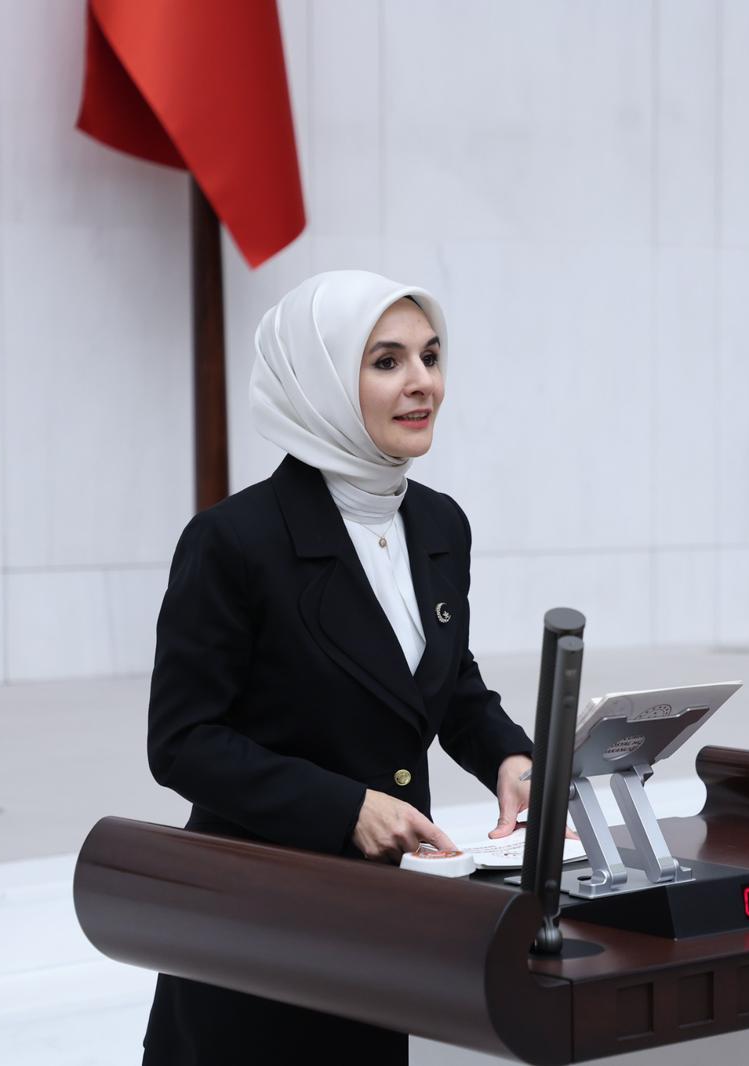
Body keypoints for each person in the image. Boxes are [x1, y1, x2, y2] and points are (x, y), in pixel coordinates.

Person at [140, 270, 536, 1065]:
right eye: (387, 361)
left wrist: (510, 757)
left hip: (379, 918)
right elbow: (182, 741)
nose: (423, 382)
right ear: (316, 382)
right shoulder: (234, 541)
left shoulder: (440, 524)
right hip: (258, 922)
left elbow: (444, 682)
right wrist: (344, 808)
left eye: (430, 356)